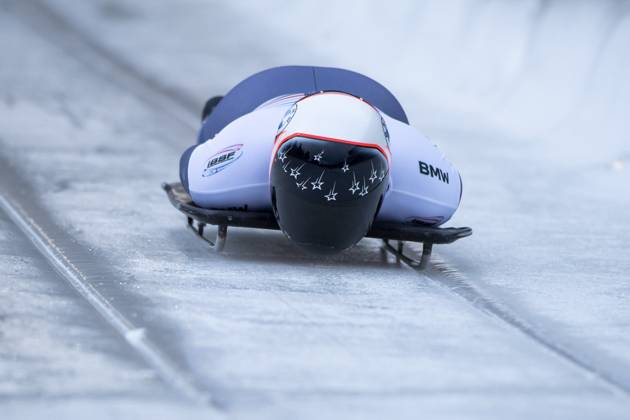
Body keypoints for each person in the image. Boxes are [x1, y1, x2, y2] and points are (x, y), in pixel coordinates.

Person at [180, 66, 462, 253]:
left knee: (210, 134)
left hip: (372, 103)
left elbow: (188, 164)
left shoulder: (220, 182)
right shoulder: (241, 153)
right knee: (211, 128)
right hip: (264, 97)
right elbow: (192, 162)